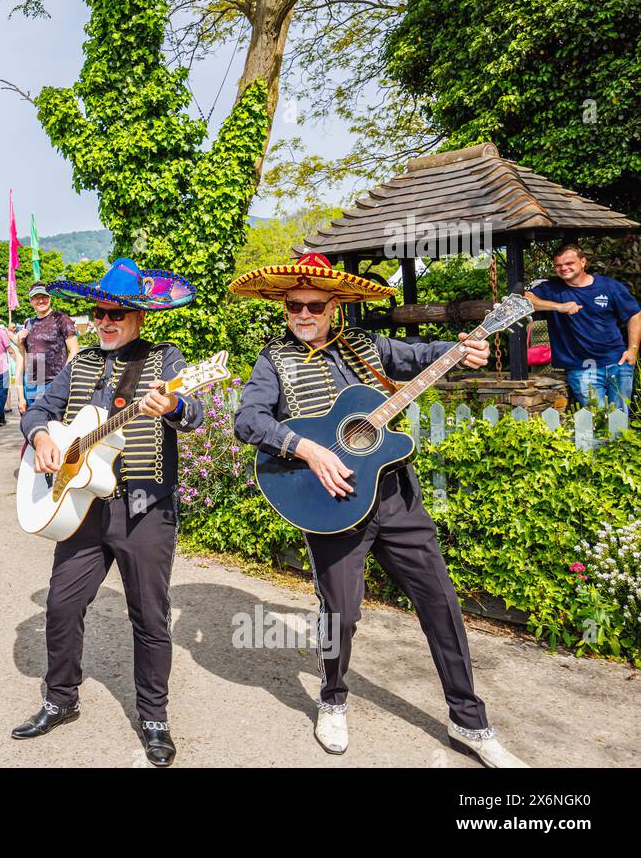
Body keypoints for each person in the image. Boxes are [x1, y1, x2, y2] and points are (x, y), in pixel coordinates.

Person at [230, 253, 526, 767]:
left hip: (395, 497)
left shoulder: (367, 347)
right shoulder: (272, 361)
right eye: (294, 305)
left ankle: (470, 723)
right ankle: (333, 698)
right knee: (340, 615)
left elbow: (420, 355)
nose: (303, 314)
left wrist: (464, 347)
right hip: (330, 501)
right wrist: (306, 447)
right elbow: (248, 420)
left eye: (314, 305)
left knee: (442, 605)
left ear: (334, 305)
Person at [13, 258, 203, 767]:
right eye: (100, 312)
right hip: (83, 508)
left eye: (117, 313)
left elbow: (196, 414)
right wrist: (41, 436)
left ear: (139, 315)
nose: (106, 321)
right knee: (61, 605)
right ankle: (60, 698)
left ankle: (155, 716)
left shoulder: (165, 359)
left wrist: (177, 408)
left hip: (144, 509)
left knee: (149, 615)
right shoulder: (82, 364)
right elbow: (36, 409)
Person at [525, 243, 639, 415]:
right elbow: (524, 299)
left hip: (618, 363)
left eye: (569, 263)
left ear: (583, 262)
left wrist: (633, 349)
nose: (563, 268)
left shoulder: (609, 286)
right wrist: (558, 307)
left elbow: (634, 314)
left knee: (621, 419)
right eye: (558, 265)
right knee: (599, 418)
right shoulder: (551, 289)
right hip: (581, 369)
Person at [15, 281, 79, 411]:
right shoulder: (28, 323)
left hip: (53, 382)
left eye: (44, 296)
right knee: (33, 425)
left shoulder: (61, 318)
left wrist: (63, 379)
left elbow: (74, 350)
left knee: (53, 425)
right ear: (30, 300)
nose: (41, 301)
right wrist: (20, 395)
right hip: (32, 384)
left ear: (50, 297)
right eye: (36, 298)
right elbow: (22, 358)